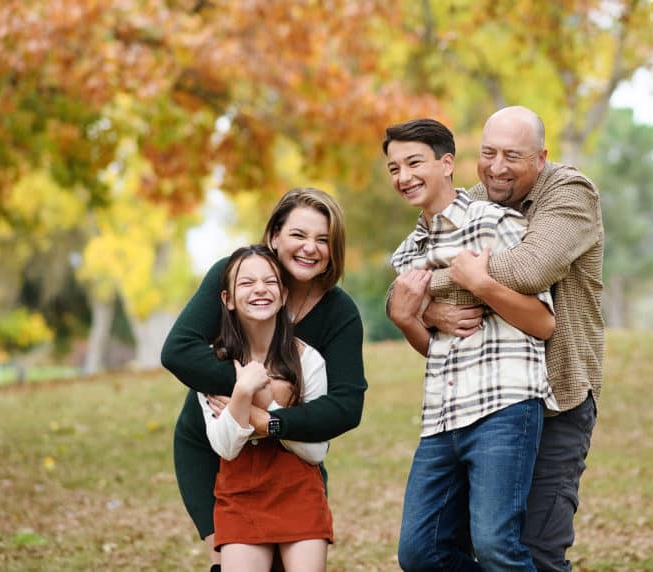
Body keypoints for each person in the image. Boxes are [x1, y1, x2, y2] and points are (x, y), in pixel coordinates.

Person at [419, 106, 604, 572]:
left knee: (534, 554)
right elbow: (400, 279)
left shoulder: (569, 193)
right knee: (442, 548)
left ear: (540, 158)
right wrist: (430, 306)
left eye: (512, 157)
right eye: (488, 154)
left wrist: (447, 275)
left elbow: (530, 268)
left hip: (556, 399)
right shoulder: (475, 198)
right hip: (484, 404)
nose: (497, 168)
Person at [384, 117, 559, 571]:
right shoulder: (407, 254)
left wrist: (478, 284)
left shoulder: (494, 223)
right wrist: (413, 319)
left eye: (414, 162)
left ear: (447, 164)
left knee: (497, 545)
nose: (404, 177)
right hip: (441, 415)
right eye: (394, 168)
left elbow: (543, 323)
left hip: (504, 405)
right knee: (420, 553)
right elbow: (431, 344)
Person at [162, 188, 367, 572]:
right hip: (214, 447)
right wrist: (255, 388)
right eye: (298, 235)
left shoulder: (339, 313)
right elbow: (178, 351)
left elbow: (345, 406)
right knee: (230, 560)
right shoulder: (235, 275)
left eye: (323, 239)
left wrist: (270, 419)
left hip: (290, 453)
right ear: (274, 236)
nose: (310, 248)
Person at [198, 244, 332, 571]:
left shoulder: (308, 360)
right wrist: (243, 390)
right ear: (227, 300)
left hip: (298, 491)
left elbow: (316, 451)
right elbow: (225, 447)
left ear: (284, 295)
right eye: (246, 283)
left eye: (270, 281)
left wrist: (264, 408)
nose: (260, 289)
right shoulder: (211, 364)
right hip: (240, 493)